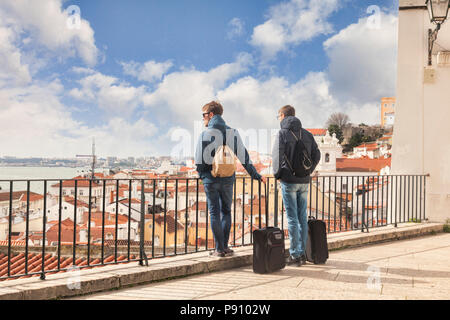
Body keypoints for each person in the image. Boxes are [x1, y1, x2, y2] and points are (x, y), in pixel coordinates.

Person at [195, 101, 266, 257]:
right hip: (228, 179)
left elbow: (199, 162)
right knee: (226, 212)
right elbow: (244, 157)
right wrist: (256, 175)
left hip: (211, 179)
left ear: (211, 115)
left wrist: (204, 175)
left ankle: (219, 249)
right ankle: (225, 247)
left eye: (204, 115)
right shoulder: (232, 132)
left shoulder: (205, 134)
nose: (203, 119)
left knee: (214, 213)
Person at [272, 105, 321, 266]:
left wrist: (278, 175)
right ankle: (302, 254)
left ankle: (295, 255)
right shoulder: (307, 134)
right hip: (304, 181)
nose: (278, 119)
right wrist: (309, 171)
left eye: (278, 116)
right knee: (302, 217)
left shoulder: (282, 133)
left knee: (292, 218)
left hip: (289, 181)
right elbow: (317, 154)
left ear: (282, 115)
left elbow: (277, 157)